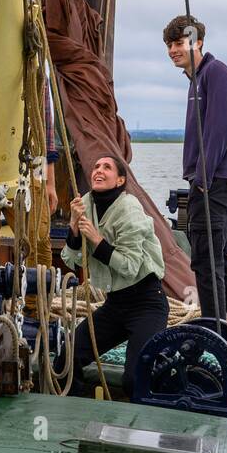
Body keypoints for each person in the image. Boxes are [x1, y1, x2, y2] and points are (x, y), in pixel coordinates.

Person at [163, 14, 227, 340]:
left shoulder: (215, 74)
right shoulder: (196, 80)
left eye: (180, 43)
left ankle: (216, 337)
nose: (174, 50)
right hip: (213, 183)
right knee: (220, 262)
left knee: (206, 264)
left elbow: (220, 129)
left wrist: (202, 180)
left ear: (198, 42)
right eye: (170, 45)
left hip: (215, 185)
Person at [61, 153, 168, 397]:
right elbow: (70, 259)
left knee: (134, 378)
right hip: (115, 304)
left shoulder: (129, 210)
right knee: (68, 358)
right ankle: (73, 417)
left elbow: (130, 266)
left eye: (107, 167)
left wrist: (98, 242)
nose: (98, 170)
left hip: (147, 303)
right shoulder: (83, 204)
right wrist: (74, 229)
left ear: (120, 180)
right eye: (96, 166)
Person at [0, 76, 59, 270]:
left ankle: (36, 300)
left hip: (29, 167)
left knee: (38, 241)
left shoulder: (36, 72)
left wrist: (48, 183)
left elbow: (44, 133)